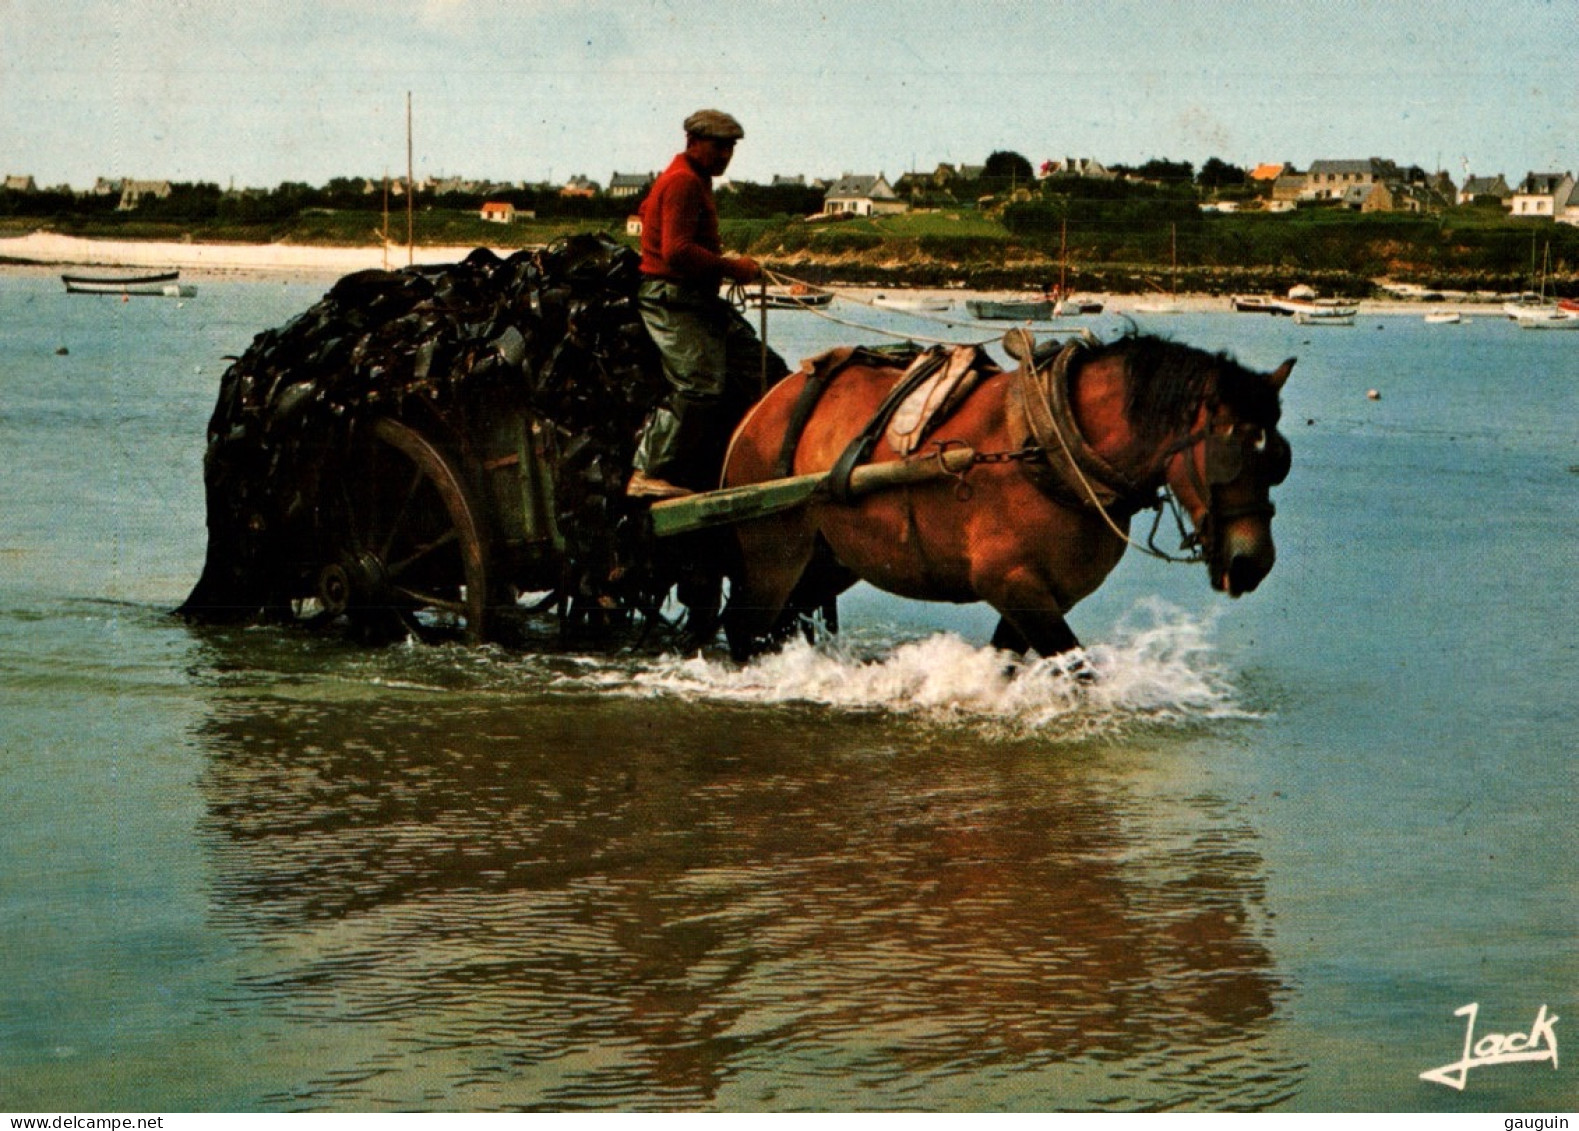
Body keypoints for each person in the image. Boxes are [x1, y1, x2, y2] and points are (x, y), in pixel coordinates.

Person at [626, 109, 789, 499]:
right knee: (699, 384)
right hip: (671, 300)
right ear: (693, 142)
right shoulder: (683, 182)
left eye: (731, 147)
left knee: (765, 369)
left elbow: (651, 214)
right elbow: (677, 251)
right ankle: (645, 471)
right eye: (719, 146)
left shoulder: (691, 178)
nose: (726, 155)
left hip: (696, 299)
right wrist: (734, 268)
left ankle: (750, 460)